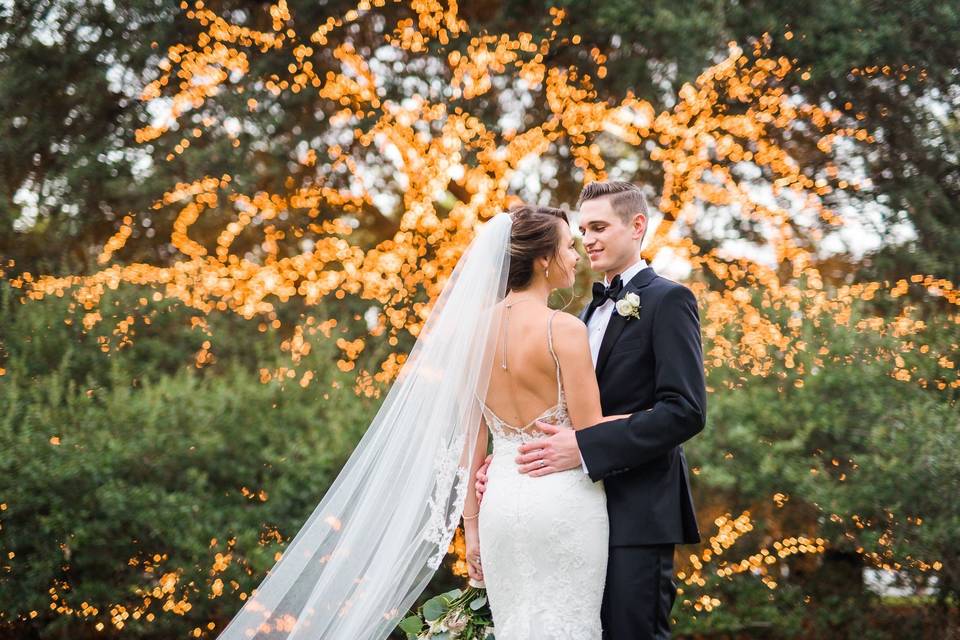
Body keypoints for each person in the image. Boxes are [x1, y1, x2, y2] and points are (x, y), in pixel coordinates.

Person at [213, 204, 623, 640]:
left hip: (499, 507)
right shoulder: (563, 329)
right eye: (567, 246)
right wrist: (646, 417)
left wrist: (471, 528)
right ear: (543, 259)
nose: (577, 256)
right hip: (563, 502)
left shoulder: (473, 333)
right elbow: (591, 435)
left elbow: (471, 440)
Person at [476, 182, 707, 640]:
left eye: (600, 227)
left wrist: (583, 446)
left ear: (637, 225)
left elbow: (685, 411)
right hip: (569, 510)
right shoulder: (577, 316)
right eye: (583, 230)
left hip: (638, 510)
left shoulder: (669, 300)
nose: (589, 240)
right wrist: (505, 456)